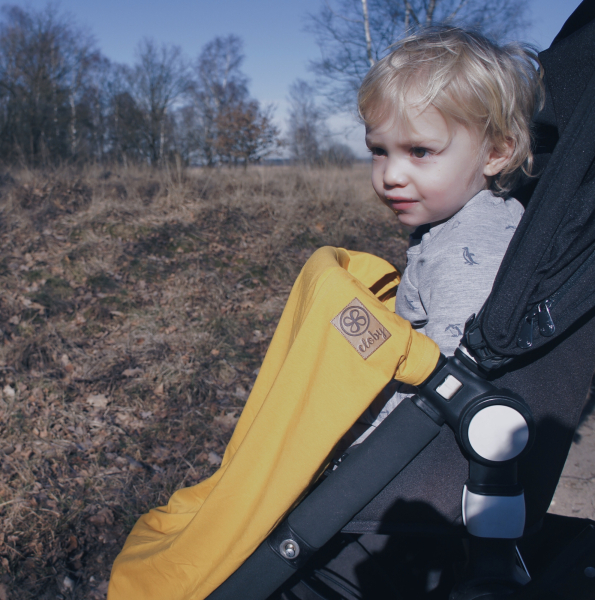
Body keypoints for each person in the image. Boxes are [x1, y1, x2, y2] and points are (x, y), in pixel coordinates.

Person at [352, 27, 543, 441]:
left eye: (420, 151)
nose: (390, 176)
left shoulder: (466, 247)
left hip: (395, 448)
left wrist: (359, 449)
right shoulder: (457, 222)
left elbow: (449, 385)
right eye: (379, 151)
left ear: (496, 153)